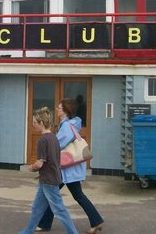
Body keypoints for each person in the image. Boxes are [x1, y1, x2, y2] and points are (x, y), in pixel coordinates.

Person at [36, 99, 103, 234]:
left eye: (59, 108)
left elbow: (57, 144)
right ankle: (96, 221)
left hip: (66, 169)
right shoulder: (69, 124)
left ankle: (44, 224)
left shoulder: (66, 126)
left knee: (53, 193)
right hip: (68, 169)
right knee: (68, 195)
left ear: (65, 111)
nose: (57, 109)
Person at [19, 107, 79, 234]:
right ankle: (28, 231)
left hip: (48, 180)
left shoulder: (42, 140)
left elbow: (40, 163)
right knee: (37, 207)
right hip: (50, 178)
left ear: (41, 123)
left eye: (34, 122)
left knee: (59, 210)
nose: (33, 125)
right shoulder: (54, 138)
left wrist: (30, 168)